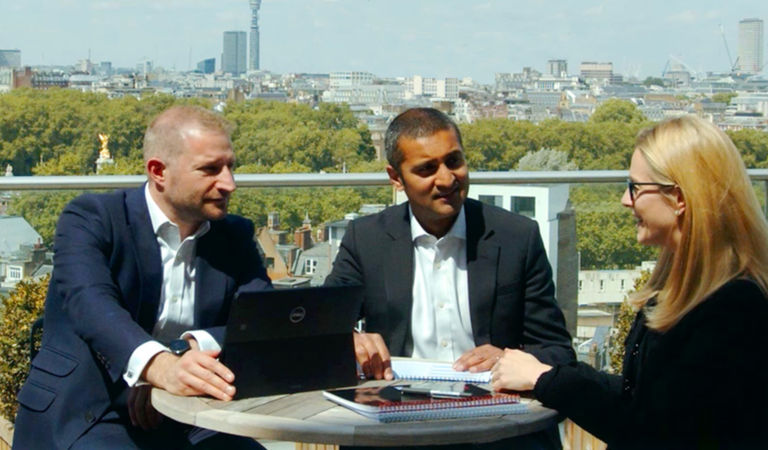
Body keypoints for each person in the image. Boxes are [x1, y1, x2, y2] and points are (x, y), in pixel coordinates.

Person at [491, 115, 768, 448]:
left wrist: (545, 380)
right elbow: (640, 398)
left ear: (679, 198)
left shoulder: (736, 310)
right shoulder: (695, 290)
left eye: (635, 187)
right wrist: (543, 373)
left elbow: (651, 428)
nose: (625, 200)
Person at [13, 106, 272, 449]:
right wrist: (159, 367)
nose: (229, 184)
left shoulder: (234, 235)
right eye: (210, 169)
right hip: (90, 411)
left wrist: (185, 348)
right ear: (158, 172)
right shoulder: (91, 218)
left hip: (191, 414)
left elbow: (261, 318)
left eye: (230, 167)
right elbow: (91, 306)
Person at [325, 107, 574, 449]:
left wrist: (509, 358)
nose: (446, 179)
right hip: (397, 430)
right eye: (426, 169)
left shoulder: (518, 237)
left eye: (454, 161)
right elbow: (320, 332)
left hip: (497, 428)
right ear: (395, 178)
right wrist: (348, 339)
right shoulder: (365, 239)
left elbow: (558, 352)